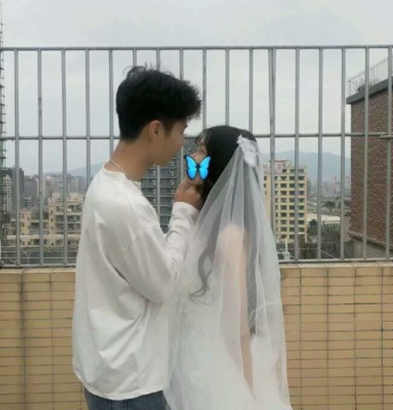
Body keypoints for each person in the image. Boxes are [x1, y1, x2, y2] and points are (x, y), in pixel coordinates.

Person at [72, 66, 202, 410]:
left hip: (109, 368)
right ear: (156, 130)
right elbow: (162, 284)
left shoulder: (105, 183)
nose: (182, 143)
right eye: (181, 131)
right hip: (131, 385)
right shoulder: (125, 205)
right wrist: (183, 212)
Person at [165, 126, 293, 410]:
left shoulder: (230, 236)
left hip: (215, 367)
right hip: (192, 358)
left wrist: (248, 389)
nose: (193, 156)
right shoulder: (204, 223)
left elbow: (237, 327)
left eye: (202, 150)